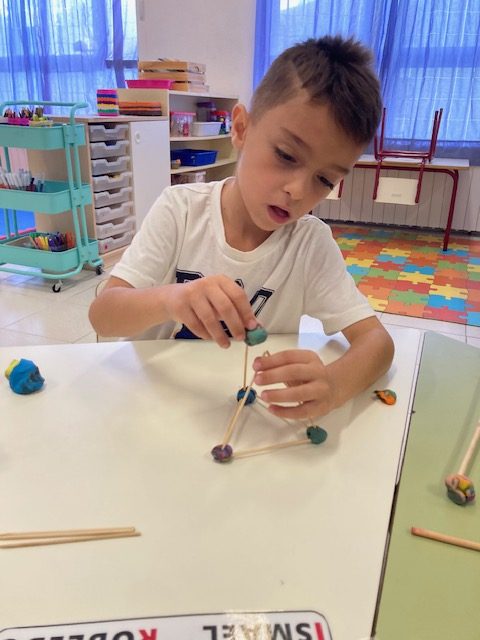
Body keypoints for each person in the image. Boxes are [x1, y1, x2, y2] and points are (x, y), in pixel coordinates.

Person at [89, 35, 394, 420]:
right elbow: (103, 315)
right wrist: (171, 299)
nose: (298, 190)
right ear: (241, 129)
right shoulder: (180, 210)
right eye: (286, 156)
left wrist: (334, 384)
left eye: (324, 180)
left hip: (247, 419)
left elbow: (377, 342)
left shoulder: (309, 244)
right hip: (154, 406)